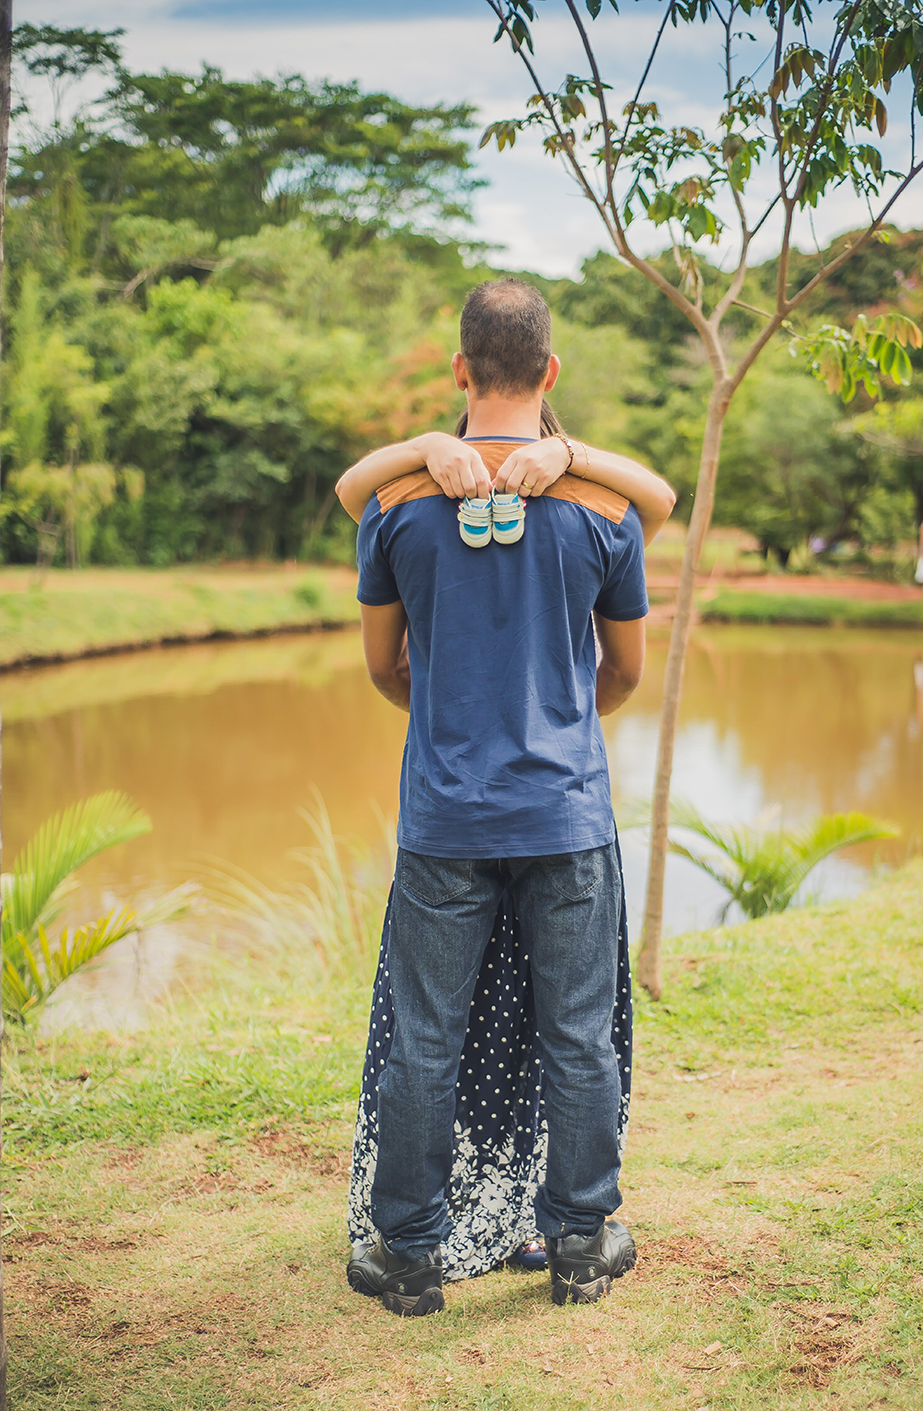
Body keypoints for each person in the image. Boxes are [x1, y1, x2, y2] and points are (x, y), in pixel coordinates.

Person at [334, 277, 675, 1317]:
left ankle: (409, 1254)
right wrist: (561, 723)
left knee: (422, 1031)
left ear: (459, 370)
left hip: (445, 815)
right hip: (567, 813)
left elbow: (384, 667)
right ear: (552, 372)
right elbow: (624, 674)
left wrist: (446, 713)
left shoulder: (399, 505)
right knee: (579, 1034)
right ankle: (580, 1242)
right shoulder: (603, 510)